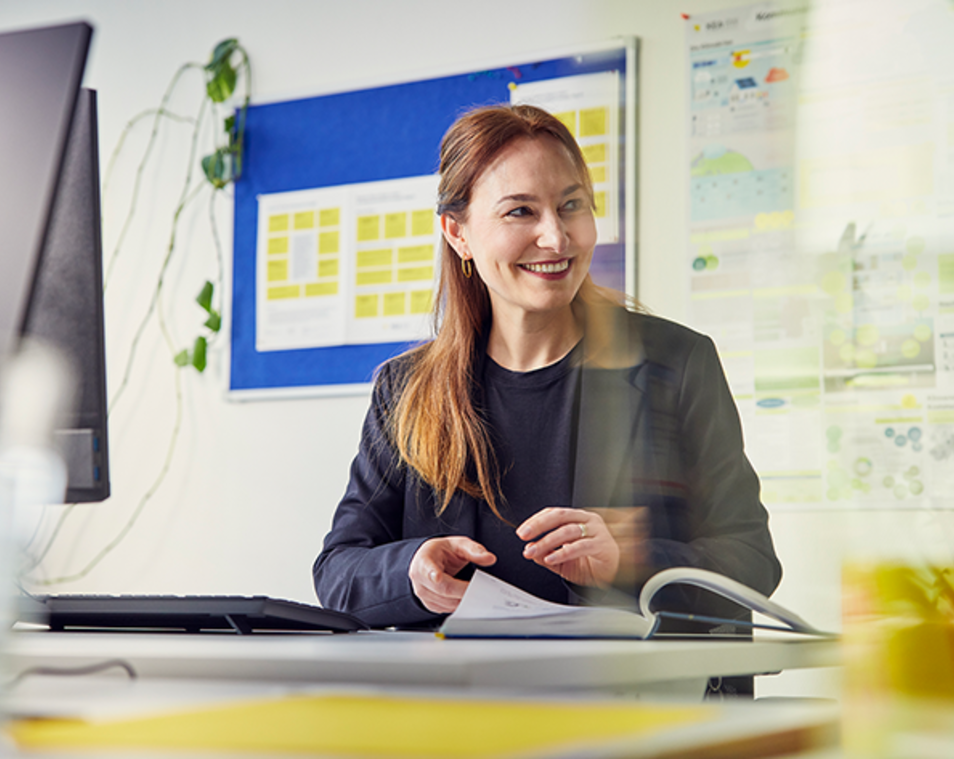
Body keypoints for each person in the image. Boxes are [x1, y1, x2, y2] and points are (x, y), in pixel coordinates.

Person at [313, 103, 781, 630]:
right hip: (461, 682)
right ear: (457, 233)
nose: (556, 238)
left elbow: (753, 558)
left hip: (635, 682)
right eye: (520, 211)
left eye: (571, 205)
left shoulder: (676, 364)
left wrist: (631, 561)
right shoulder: (407, 389)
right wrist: (412, 572)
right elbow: (339, 570)